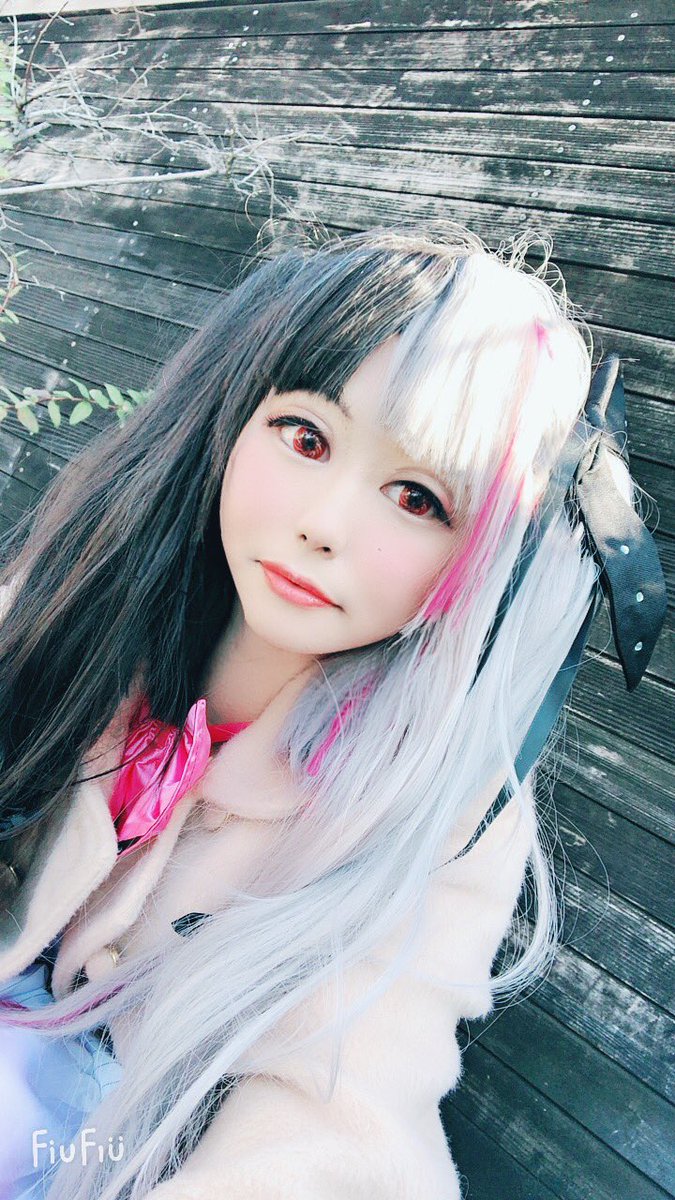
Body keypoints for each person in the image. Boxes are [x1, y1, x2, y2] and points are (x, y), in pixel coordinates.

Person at [0, 224, 665, 1200]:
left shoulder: (443, 802)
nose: (325, 524)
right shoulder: (81, 603)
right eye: (306, 437)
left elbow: (348, 1119)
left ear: (482, 560)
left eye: (417, 498)